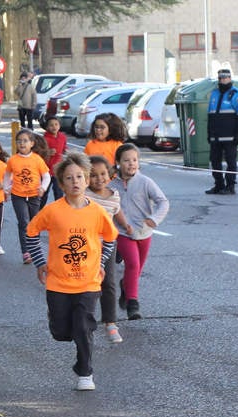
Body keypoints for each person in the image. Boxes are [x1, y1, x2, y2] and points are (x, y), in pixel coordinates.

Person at [25, 152, 118, 392]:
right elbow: (31, 232)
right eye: (69, 178)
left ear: (87, 180)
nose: (75, 181)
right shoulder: (53, 211)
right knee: (61, 331)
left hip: (88, 282)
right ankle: (60, 324)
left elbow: (110, 238)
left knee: (83, 326)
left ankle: (85, 372)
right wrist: (39, 261)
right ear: (61, 183)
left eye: (79, 177)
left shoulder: (97, 211)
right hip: (58, 282)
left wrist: (101, 262)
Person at [109, 143, 169, 320]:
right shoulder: (112, 185)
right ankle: (133, 305)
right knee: (133, 265)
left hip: (145, 232)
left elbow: (163, 202)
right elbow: (107, 207)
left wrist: (155, 219)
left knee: (136, 271)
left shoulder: (145, 182)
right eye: (126, 160)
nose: (131, 164)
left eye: (134, 160)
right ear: (118, 162)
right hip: (123, 232)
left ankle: (125, 286)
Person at [85, 155, 131, 343]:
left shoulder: (114, 195)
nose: (99, 178)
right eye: (93, 175)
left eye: (103, 173)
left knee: (108, 282)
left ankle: (110, 322)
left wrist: (126, 225)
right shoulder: (84, 195)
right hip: (86, 245)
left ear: (110, 174)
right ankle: (85, 319)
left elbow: (116, 211)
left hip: (107, 246)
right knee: (87, 284)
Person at [5, 129, 51, 264]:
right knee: (24, 222)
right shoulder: (13, 160)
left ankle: (34, 248)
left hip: (34, 195)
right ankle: (25, 252)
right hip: (17, 195)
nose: (21, 143)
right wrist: (7, 187)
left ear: (31, 143)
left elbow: (46, 176)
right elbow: (7, 175)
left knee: (34, 222)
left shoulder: (37, 159)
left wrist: (43, 188)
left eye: (25, 141)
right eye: (19, 141)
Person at [206, 69, 238, 195]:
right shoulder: (214, 94)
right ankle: (219, 185)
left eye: (225, 77)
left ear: (230, 78)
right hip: (216, 137)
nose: (222, 80)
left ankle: (230, 186)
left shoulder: (236, 94)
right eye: (220, 78)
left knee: (231, 162)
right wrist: (209, 133)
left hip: (230, 137)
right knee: (214, 161)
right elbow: (210, 116)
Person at [41, 116, 66, 208]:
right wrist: (47, 152)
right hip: (46, 170)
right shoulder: (44, 139)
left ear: (59, 126)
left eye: (56, 124)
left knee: (58, 191)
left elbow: (64, 149)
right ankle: (39, 211)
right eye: (51, 125)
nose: (54, 127)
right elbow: (39, 153)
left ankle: (59, 209)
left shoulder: (62, 137)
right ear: (47, 127)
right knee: (44, 192)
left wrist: (67, 153)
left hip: (58, 170)